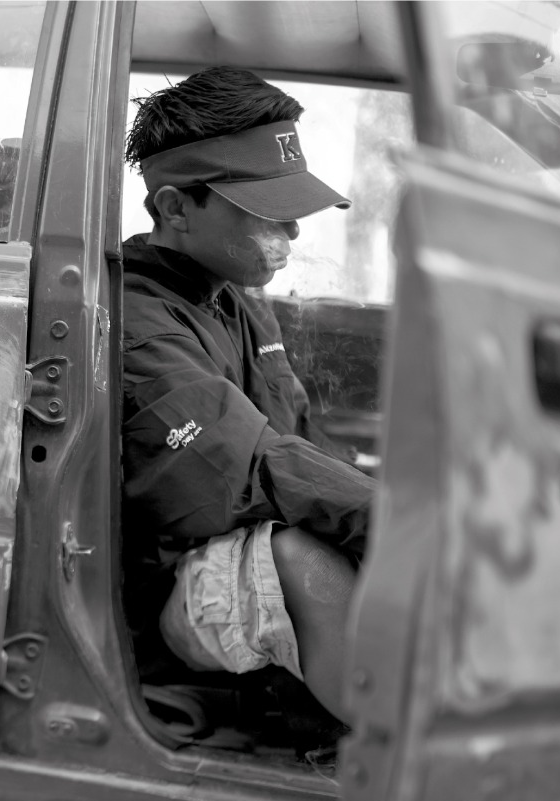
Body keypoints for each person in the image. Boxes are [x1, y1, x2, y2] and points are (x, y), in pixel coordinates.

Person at [121, 67, 373, 726]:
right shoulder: (134, 320)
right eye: (268, 209)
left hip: (226, 549)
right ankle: (411, 767)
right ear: (176, 209)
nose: (293, 230)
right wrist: (393, 520)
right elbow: (248, 468)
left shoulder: (236, 301)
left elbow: (299, 443)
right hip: (162, 596)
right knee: (299, 557)